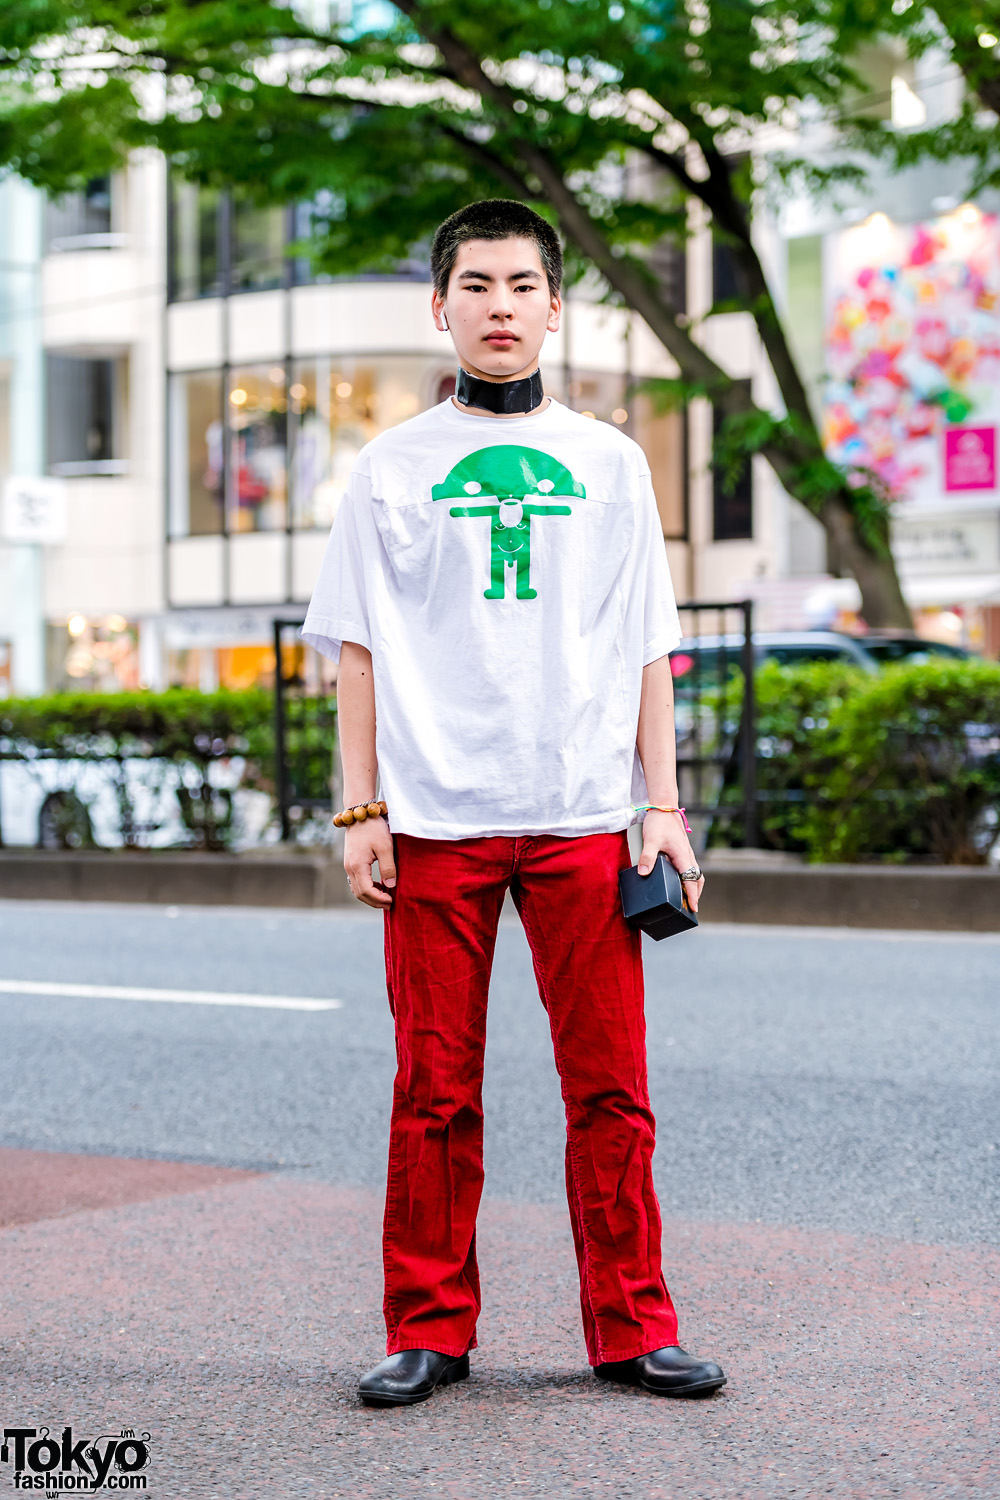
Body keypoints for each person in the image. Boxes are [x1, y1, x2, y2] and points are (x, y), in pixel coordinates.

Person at [302, 199, 726, 1408]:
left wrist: (664, 808)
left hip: (584, 815)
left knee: (612, 1088)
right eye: (475, 284)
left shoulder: (609, 462)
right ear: (439, 307)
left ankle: (633, 1326)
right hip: (435, 819)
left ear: (554, 305)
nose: (499, 305)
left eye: (520, 284)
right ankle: (428, 1326)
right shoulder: (389, 469)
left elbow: (647, 643)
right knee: (434, 1089)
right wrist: (359, 809)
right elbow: (358, 653)